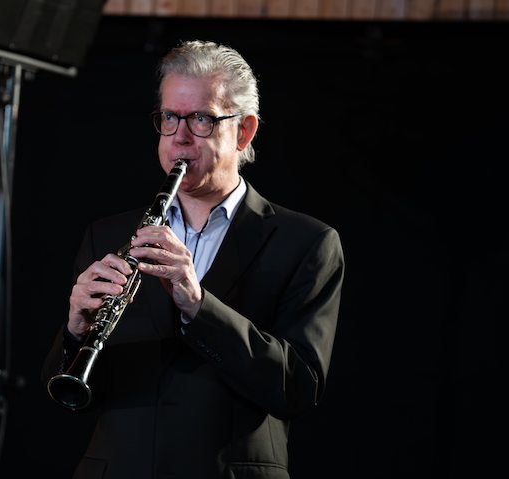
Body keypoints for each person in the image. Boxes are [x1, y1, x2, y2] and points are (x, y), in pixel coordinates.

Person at [41, 39, 345, 479]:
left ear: (244, 131)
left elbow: (298, 387)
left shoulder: (307, 242)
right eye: (170, 117)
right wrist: (75, 330)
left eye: (201, 118)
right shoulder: (107, 235)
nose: (180, 137)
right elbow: (72, 396)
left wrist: (199, 306)